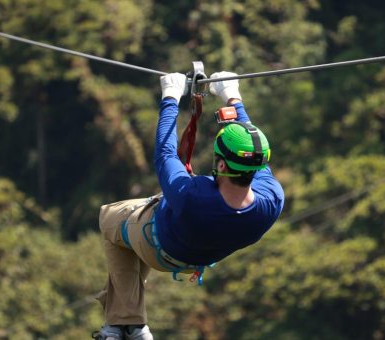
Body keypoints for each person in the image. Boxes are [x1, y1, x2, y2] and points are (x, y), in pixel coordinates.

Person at [93, 72, 285, 340]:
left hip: (157, 246)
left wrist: (170, 97)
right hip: (197, 258)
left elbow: (165, 153)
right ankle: (121, 325)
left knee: (110, 218)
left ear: (220, 164)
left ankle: (128, 322)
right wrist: (232, 95)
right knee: (132, 233)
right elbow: (254, 152)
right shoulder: (271, 200)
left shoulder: (191, 194)